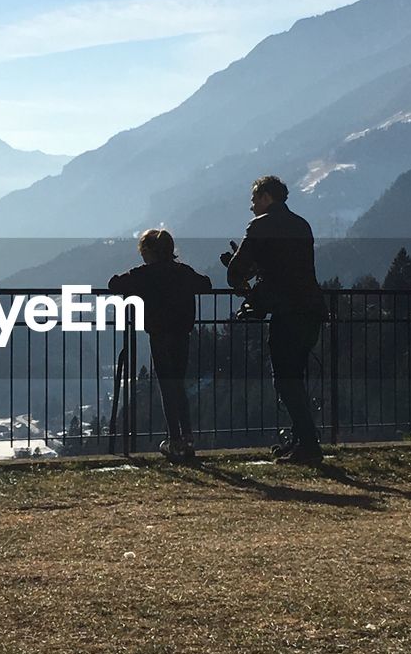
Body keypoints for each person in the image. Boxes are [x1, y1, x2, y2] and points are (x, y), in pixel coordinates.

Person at [222, 176, 327, 465]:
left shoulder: (260, 226)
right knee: (297, 377)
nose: (252, 205)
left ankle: (308, 446)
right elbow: (289, 267)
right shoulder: (301, 224)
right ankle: (301, 441)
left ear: (267, 197)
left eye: (255, 199)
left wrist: (240, 272)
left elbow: (237, 271)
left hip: (287, 312)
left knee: (284, 379)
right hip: (311, 309)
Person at [108, 229, 212, 462]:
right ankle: (186, 437)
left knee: (167, 386)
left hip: (159, 333)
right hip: (182, 333)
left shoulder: (144, 274)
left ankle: (175, 439)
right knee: (178, 385)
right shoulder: (182, 272)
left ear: (148, 251)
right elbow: (205, 284)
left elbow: (114, 283)